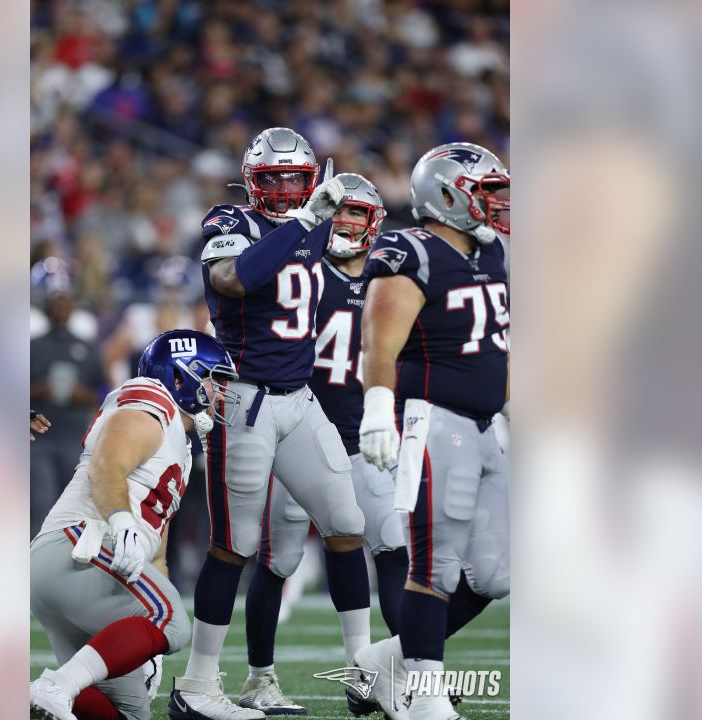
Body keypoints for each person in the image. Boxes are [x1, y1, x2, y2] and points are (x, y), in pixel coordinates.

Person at [169, 128, 371, 720]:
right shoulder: (230, 220)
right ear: (253, 182)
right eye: (273, 179)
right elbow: (232, 279)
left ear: (309, 178)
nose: (284, 190)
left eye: (294, 179)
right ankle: (197, 685)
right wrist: (304, 222)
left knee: (345, 522)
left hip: (301, 398)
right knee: (235, 545)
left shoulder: (318, 225)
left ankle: (365, 672)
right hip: (244, 401)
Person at [238, 174, 409, 715]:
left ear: (373, 223)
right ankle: (259, 676)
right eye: (340, 213)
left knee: (388, 541)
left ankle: (392, 670)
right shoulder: (303, 269)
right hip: (302, 437)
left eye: (357, 215)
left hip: (364, 438)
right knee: (280, 559)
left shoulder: (393, 280)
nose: (347, 223)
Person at [354, 143, 512, 720]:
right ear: (446, 194)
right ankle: (424, 698)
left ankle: (385, 661)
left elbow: (498, 345)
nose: (498, 205)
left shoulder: (491, 254)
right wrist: (377, 408)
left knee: (500, 569)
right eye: (488, 192)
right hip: (432, 419)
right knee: (436, 565)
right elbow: (379, 341)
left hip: (484, 425)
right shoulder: (409, 250)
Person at [30, 329, 241, 720]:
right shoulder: (152, 398)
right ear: (181, 377)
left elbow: (157, 554)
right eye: (214, 379)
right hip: (80, 544)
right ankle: (54, 686)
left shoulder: (177, 443)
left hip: (87, 569)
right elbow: (107, 462)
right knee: (174, 622)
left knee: (125, 712)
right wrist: (122, 519)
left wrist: (149, 650)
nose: (220, 393)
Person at [30, 286, 107, 539]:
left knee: (73, 510)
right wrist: (39, 390)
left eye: (65, 300)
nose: (61, 306)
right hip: (38, 440)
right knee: (40, 506)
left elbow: (105, 394)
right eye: (56, 301)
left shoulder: (88, 348)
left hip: (75, 439)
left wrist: (81, 395)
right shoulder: (33, 346)